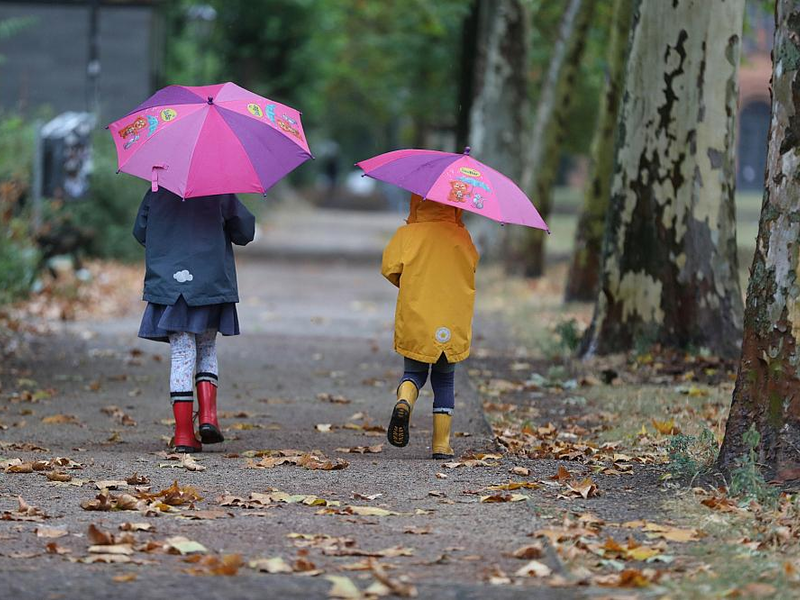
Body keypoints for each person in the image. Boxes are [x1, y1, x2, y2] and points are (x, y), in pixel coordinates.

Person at [133, 188, 255, 452]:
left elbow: (140, 232)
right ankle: (209, 417)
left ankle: (184, 435)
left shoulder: (156, 189)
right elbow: (245, 232)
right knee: (207, 347)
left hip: (170, 284)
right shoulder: (220, 189)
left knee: (181, 354)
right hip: (208, 284)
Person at [381, 194, 479, 459]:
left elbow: (389, 268)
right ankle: (441, 445)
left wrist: (409, 283)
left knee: (413, 372)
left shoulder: (408, 234)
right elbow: (471, 268)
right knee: (445, 380)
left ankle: (405, 401)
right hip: (452, 319)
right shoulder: (463, 237)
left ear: (417, 202)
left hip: (417, 316)